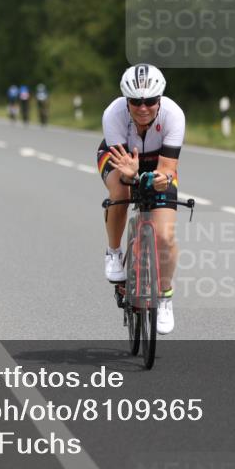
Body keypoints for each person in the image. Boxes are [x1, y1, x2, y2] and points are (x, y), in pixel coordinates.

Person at [97, 64, 185, 335]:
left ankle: (165, 297)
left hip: (158, 162)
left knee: (165, 235)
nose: (143, 107)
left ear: (160, 99)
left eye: (150, 101)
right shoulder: (113, 114)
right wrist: (129, 175)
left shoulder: (173, 115)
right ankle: (114, 252)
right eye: (136, 101)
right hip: (120, 159)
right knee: (120, 193)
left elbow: (168, 168)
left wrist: (160, 180)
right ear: (127, 100)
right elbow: (124, 170)